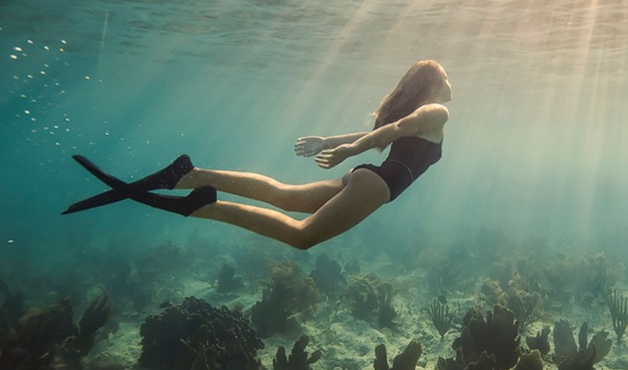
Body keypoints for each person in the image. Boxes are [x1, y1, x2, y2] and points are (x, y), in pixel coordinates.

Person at [63, 60, 452, 249]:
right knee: (301, 237)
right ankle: (203, 207)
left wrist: (329, 142)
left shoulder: (424, 120)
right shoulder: (437, 113)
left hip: (368, 177)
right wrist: (346, 149)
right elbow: (394, 130)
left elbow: (381, 132)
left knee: (284, 196)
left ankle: (191, 176)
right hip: (375, 184)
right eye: (446, 78)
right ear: (432, 86)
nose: (451, 84)